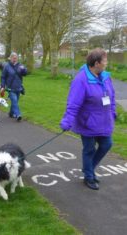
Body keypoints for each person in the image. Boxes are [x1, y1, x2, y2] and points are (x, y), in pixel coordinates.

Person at [60, 48, 116, 190]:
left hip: (104, 121)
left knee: (107, 144)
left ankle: (88, 169)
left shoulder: (106, 77)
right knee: (89, 150)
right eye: (105, 61)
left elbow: (112, 97)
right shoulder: (81, 80)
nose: (106, 63)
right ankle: (89, 177)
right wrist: (67, 121)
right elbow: (73, 103)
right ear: (96, 63)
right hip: (88, 122)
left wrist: (113, 112)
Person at [0, 52, 27, 121]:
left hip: (18, 87)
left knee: (15, 102)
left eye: (16, 58)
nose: (15, 59)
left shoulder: (20, 65)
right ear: (10, 58)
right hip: (10, 88)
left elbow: (25, 74)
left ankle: (11, 113)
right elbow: (3, 77)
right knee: (14, 101)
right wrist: (2, 86)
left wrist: (24, 70)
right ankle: (18, 114)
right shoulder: (7, 66)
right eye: (13, 58)